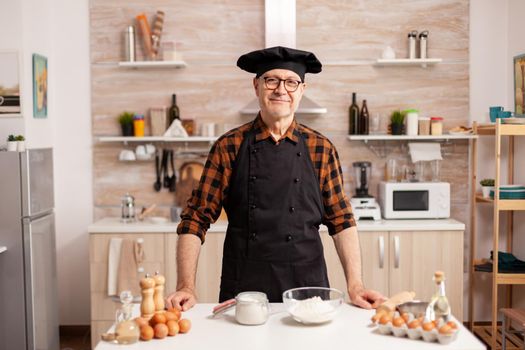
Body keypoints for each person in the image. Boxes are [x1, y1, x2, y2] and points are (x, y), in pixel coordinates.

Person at [166, 46, 384, 311]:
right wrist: (185, 286)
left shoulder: (321, 148)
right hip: (243, 289)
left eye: (291, 82)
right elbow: (195, 219)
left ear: (301, 90)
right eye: (272, 80)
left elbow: (342, 221)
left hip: (308, 289)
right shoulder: (228, 146)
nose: (281, 90)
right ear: (256, 85)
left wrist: (356, 286)